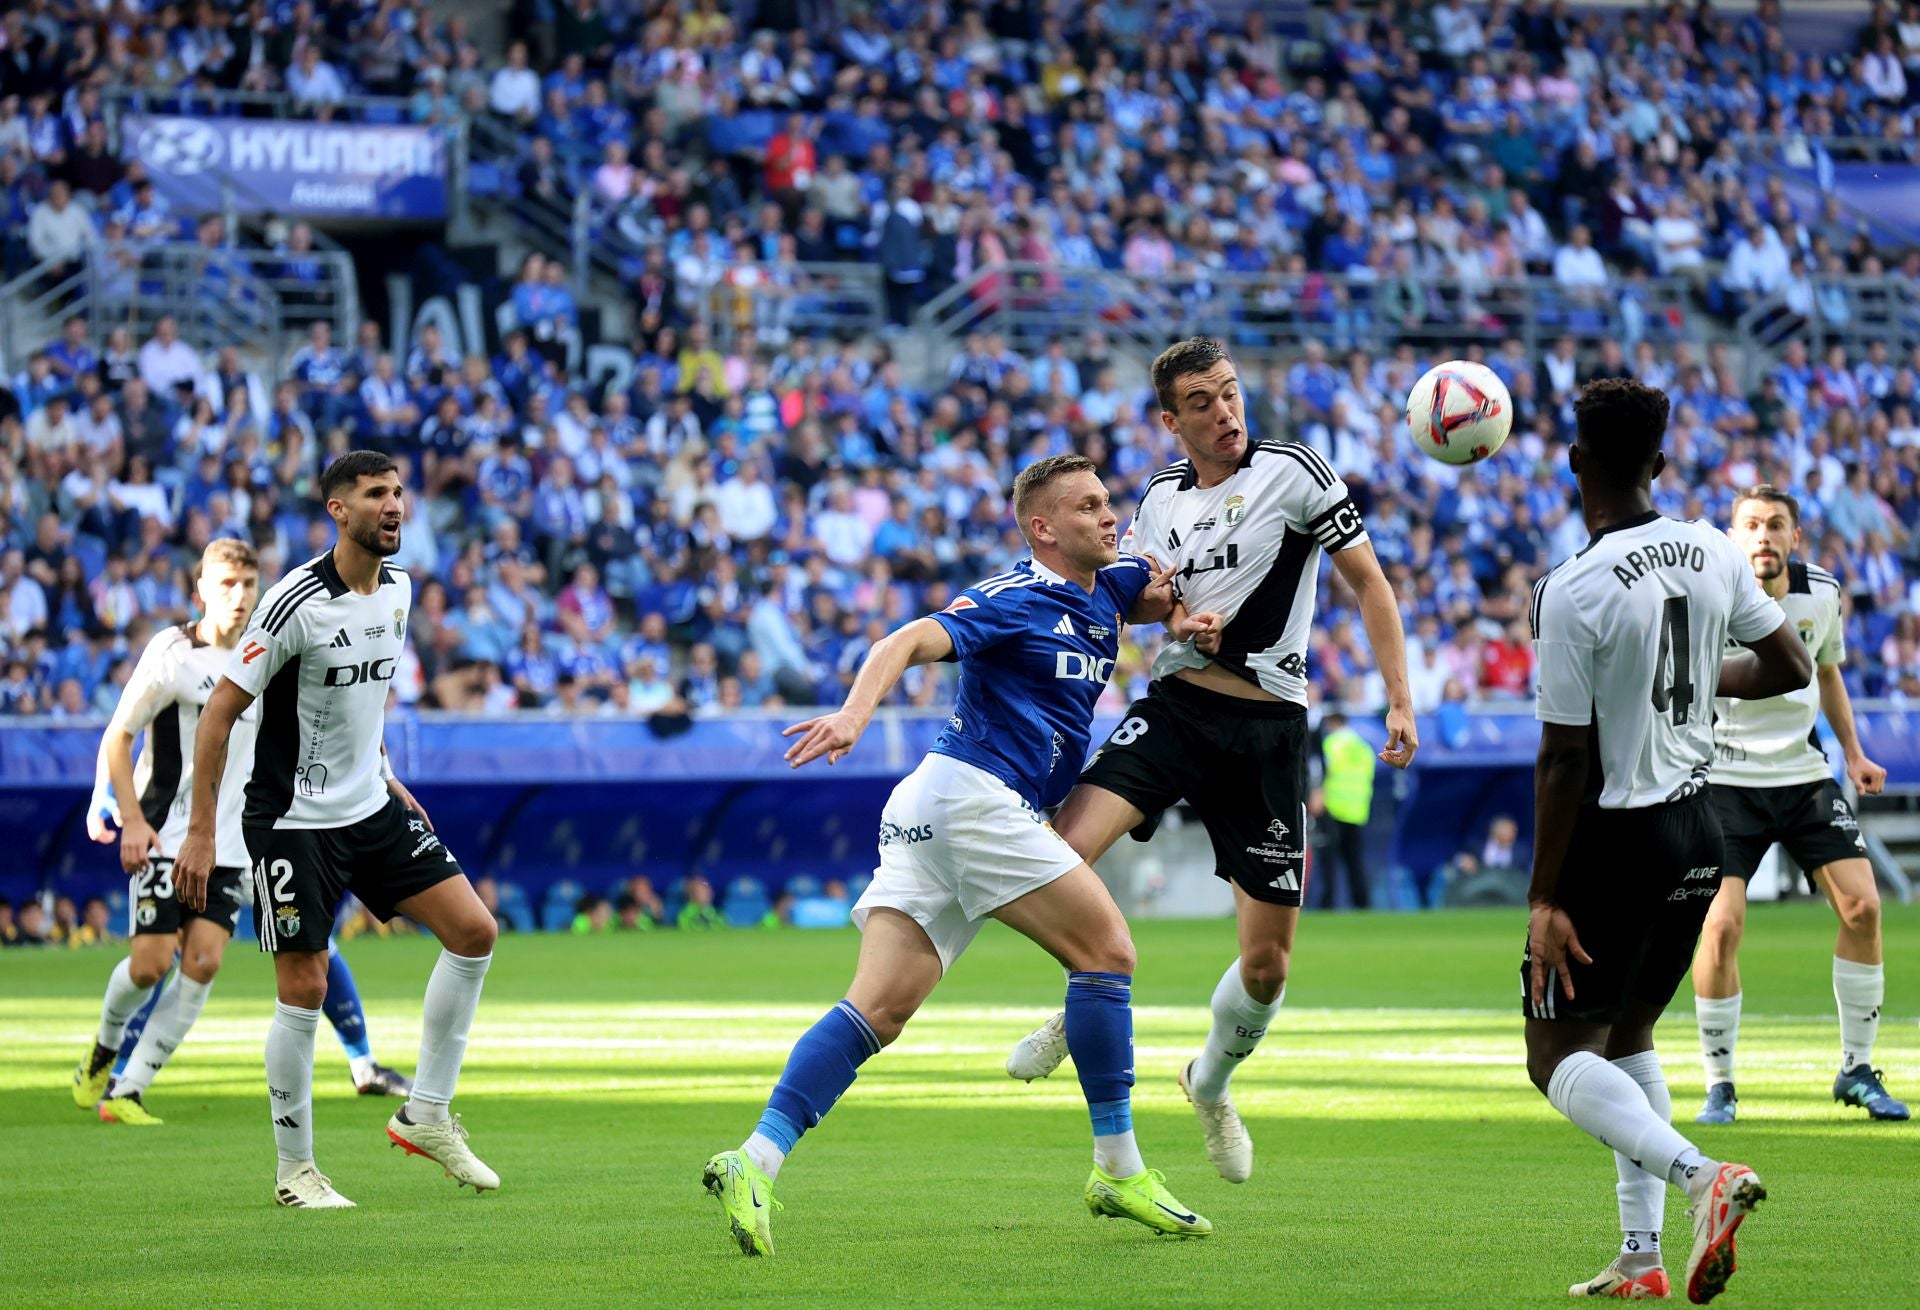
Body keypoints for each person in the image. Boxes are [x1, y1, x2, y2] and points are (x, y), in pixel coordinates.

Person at [701, 454, 1206, 1257]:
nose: (1109, 517)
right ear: (1041, 528)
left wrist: (1176, 614)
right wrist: (855, 713)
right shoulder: (1014, 597)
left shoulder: (1104, 587)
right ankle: (1118, 1166)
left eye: (1109, 502)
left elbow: (1153, 590)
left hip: (938, 809)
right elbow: (905, 637)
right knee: (1107, 952)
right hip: (974, 799)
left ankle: (754, 1159)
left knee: (878, 1010)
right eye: (1087, 508)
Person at [1005, 338, 1417, 1188]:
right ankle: (1086, 993)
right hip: (1177, 709)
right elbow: (1151, 597)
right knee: (1053, 853)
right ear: (1171, 419)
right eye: (1202, 402)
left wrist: (1399, 698)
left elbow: (1371, 584)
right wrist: (1175, 618)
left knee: (1267, 968)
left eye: (1228, 394)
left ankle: (1209, 1084)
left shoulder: (1298, 471)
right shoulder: (1156, 499)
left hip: (1268, 733)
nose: (1223, 413)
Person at [1524, 379, 1811, 1302]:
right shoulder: (1712, 550)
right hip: (1701, 824)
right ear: (1659, 462)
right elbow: (1786, 666)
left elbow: (1565, 760)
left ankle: (1702, 1179)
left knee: (1556, 1056)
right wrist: (1680, 677)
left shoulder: (1571, 590)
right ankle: (1642, 1256)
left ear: (1575, 462)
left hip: (1617, 834)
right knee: (1631, 1032)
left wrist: (1543, 897)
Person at [175, 451, 500, 1209]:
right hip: (292, 820)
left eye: (398, 493)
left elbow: (366, 699)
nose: (393, 506)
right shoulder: (293, 601)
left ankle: (426, 1113)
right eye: (375, 495)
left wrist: (384, 771)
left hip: (370, 806)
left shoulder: (400, 591)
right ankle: (296, 1172)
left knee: (475, 931)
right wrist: (199, 832)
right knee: (306, 984)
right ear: (337, 510)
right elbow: (221, 713)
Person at [79, 544, 411, 1121]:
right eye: (226, 583)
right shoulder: (174, 652)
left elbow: (343, 707)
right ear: (200, 589)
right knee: (150, 964)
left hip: (239, 838)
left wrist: (382, 772)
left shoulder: (275, 647)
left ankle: (128, 1089)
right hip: (167, 831)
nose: (239, 595)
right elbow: (117, 735)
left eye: (248, 582)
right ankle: (103, 1051)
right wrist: (126, 815)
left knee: (207, 961)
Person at [1691, 486, 1907, 1123]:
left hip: (1804, 775)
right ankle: (1720, 1082)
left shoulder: (1823, 593)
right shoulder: (1708, 595)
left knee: (1864, 906)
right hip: (1725, 782)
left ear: (1796, 536)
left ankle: (1857, 1069)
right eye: (1751, 525)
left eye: (1775, 525)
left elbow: (1829, 671)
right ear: (1733, 538)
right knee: (1721, 925)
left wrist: (1856, 752)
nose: (1763, 536)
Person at [1310, 709, 1375, 910]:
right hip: (1357, 810)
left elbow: (1320, 772)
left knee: (1328, 863)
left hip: (1334, 808)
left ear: (1333, 723)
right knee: (1354, 862)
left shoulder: (1330, 745)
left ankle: (1327, 904)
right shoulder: (1364, 748)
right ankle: (1362, 904)